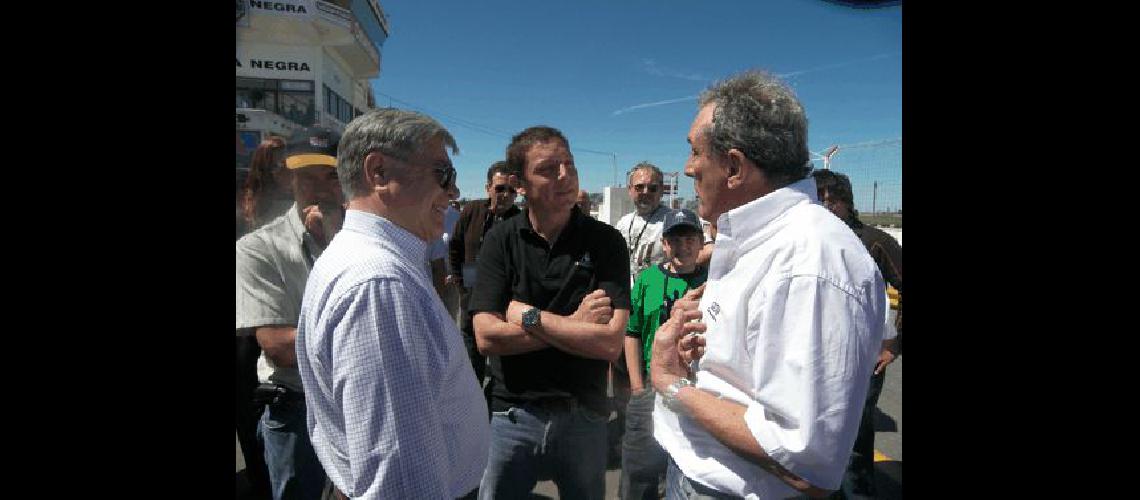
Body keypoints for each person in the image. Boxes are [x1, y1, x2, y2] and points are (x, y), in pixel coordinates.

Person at [649, 69, 887, 499]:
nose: (686, 169)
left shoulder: (811, 261)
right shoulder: (756, 238)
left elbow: (803, 461)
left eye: (694, 152)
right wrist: (698, 357)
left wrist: (672, 382)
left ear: (735, 167)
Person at [295, 109, 488, 499]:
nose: (452, 192)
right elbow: (398, 480)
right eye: (443, 174)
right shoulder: (378, 284)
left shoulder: (372, 261)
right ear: (378, 172)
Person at [470, 126, 631, 499]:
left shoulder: (605, 241)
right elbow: (486, 337)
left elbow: (608, 343)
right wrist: (576, 325)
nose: (565, 176)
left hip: (585, 416)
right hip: (512, 414)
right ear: (519, 183)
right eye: (548, 168)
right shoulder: (501, 239)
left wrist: (528, 315)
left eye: (569, 165)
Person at [236, 127, 346, 500]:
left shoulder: (368, 241)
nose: (318, 188)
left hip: (362, 404)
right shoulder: (258, 248)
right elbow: (278, 346)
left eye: (330, 175)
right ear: (290, 180)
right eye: (306, 176)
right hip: (297, 405)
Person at [812, 169, 902, 500]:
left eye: (830, 201)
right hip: (817, 359)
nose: (823, 208)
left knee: (854, 443)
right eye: (816, 200)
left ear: (847, 204)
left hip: (863, 362)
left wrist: (894, 345)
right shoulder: (809, 242)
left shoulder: (873, 241)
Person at [620, 208, 708, 500]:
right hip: (651, 388)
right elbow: (631, 334)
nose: (683, 247)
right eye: (675, 240)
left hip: (699, 393)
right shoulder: (647, 281)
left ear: (700, 242)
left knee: (688, 471)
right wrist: (636, 386)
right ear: (665, 244)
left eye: (690, 239)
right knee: (639, 472)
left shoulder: (714, 282)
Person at [447, 161, 522, 383]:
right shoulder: (471, 211)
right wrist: (461, 287)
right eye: (500, 188)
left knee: (502, 367)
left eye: (512, 190)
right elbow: (455, 247)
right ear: (488, 187)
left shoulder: (520, 221)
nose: (506, 195)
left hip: (504, 307)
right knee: (471, 364)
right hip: (470, 299)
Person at [615, 162, 671, 285]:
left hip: (658, 292)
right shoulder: (623, 223)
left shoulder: (672, 221)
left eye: (652, 188)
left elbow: (704, 250)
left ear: (661, 191)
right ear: (630, 190)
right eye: (639, 187)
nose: (645, 192)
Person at [239, 136, 294, 237]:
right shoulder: (245, 200)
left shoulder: (298, 198)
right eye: (276, 166)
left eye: (288, 165)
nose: (286, 171)